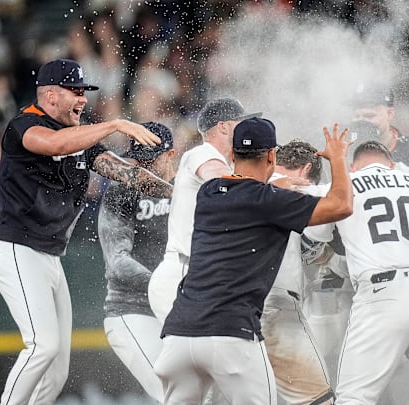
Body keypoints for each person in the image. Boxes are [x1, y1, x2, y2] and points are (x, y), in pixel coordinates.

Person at [0, 58, 172, 405]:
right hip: (16, 250)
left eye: (84, 91)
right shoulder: (24, 125)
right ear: (50, 95)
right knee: (42, 345)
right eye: (75, 91)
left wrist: (179, 190)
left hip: (50, 257)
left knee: (56, 371)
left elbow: (125, 174)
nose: (83, 99)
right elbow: (56, 145)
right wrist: (115, 124)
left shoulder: (81, 137)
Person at [153, 119, 353, 405]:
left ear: (231, 155)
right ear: (271, 156)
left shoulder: (208, 194)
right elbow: (342, 205)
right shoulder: (272, 199)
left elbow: (236, 187)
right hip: (232, 332)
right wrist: (338, 159)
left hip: (179, 334)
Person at [327, 140, 409, 405]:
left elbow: (316, 234)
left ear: (353, 166)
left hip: (383, 294)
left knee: (355, 397)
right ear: (390, 165)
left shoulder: (347, 183)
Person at [148, 96, 261, 324]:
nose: (247, 129)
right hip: (182, 274)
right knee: (202, 352)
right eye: (241, 123)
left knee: (201, 356)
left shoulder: (227, 164)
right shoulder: (201, 153)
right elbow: (222, 179)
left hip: (203, 276)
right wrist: (272, 184)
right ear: (223, 126)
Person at [99, 121, 176, 403]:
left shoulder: (189, 190)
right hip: (132, 310)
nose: (144, 168)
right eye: (139, 160)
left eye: (151, 160)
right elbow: (117, 261)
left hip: (180, 311)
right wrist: (168, 286)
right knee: (173, 393)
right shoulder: (122, 191)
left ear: (171, 155)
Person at [261, 139, 334, 405]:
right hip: (275, 303)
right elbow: (321, 233)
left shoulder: (243, 185)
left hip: (226, 307)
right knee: (317, 400)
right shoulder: (302, 190)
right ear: (306, 171)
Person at [350, 82, 409, 169]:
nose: (362, 122)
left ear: (390, 114)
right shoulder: (341, 145)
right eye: (357, 116)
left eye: (369, 116)